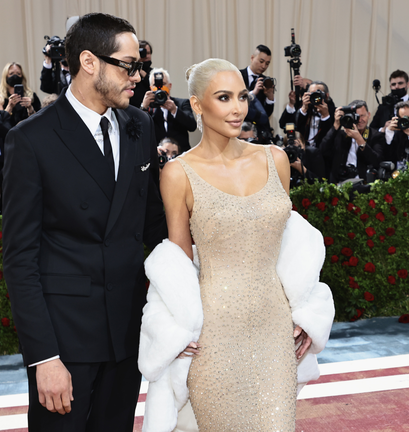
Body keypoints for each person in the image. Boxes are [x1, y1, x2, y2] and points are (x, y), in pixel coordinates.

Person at [141, 58, 334, 431]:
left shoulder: (274, 159)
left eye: (242, 97)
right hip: (213, 335)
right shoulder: (177, 172)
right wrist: (172, 333)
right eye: (224, 97)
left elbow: (292, 250)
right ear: (197, 104)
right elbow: (177, 264)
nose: (237, 108)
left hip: (274, 330)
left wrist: (308, 313)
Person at [1, 12, 168, 432]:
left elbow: (153, 227)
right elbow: (20, 258)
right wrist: (44, 357)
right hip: (65, 341)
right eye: (128, 66)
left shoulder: (139, 124)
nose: (138, 76)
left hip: (127, 331)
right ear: (89, 62)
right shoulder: (31, 139)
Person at [320, 99, 384, 184]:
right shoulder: (341, 135)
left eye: (363, 116)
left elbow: (376, 161)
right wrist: (335, 126)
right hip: (339, 182)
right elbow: (323, 150)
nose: (360, 120)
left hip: (363, 183)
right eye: (356, 116)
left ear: (369, 115)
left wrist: (359, 139)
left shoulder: (376, 136)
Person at [141, 68, 197, 150]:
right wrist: (143, 107)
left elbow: (192, 126)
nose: (160, 88)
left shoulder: (182, 103)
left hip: (180, 154)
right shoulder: (148, 107)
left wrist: (175, 111)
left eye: (163, 84)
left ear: (170, 86)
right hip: (156, 155)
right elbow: (139, 129)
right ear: (150, 88)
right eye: (155, 85)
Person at [0, 62, 42, 128]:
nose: (15, 76)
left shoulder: (32, 96)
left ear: (22, 76)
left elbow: (39, 121)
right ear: (6, 77)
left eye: (18, 74)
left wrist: (30, 108)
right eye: (11, 73)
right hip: (8, 134)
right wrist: (9, 106)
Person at [129, 39, 153, 109]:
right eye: (144, 53)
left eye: (149, 53)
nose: (147, 56)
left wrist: (141, 71)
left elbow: (151, 84)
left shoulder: (153, 72)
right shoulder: (131, 71)